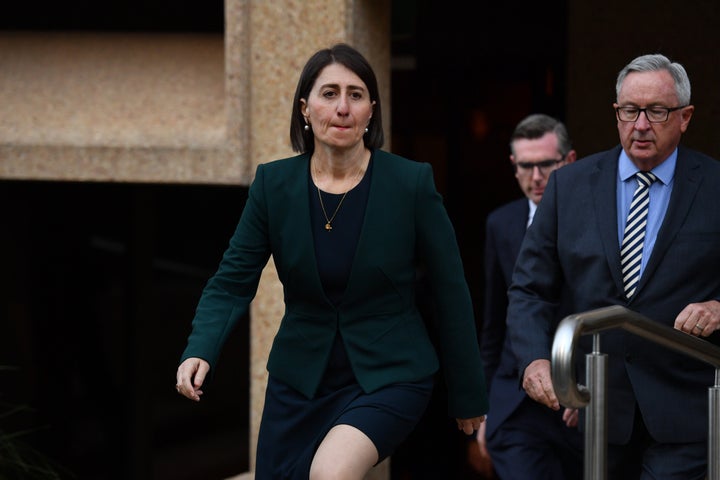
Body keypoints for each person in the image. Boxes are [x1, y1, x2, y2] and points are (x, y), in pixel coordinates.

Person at [175, 43, 488, 480]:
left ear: (371, 111)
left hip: (391, 372)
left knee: (330, 473)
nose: (342, 107)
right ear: (305, 108)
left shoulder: (410, 183)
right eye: (329, 94)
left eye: (356, 95)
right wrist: (201, 349)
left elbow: (451, 288)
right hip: (300, 379)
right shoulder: (273, 185)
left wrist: (468, 392)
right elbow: (231, 281)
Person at [507, 53, 720, 479]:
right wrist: (534, 359)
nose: (640, 124)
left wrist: (719, 306)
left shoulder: (714, 185)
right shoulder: (569, 186)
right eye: (629, 111)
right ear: (616, 113)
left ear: (685, 117)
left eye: (656, 111)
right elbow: (530, 287)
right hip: (599, 408)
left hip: (686, 408)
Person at [477, 113, 581, 480]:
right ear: (513, 166)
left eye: (545, 165)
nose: (536, 177)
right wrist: (486, 410)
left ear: (569, 162)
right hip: (516, 402)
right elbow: (493, 322)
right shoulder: (501, 223)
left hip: (578, 400)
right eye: (526, 166)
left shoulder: (598, 222)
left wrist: (595, 388)